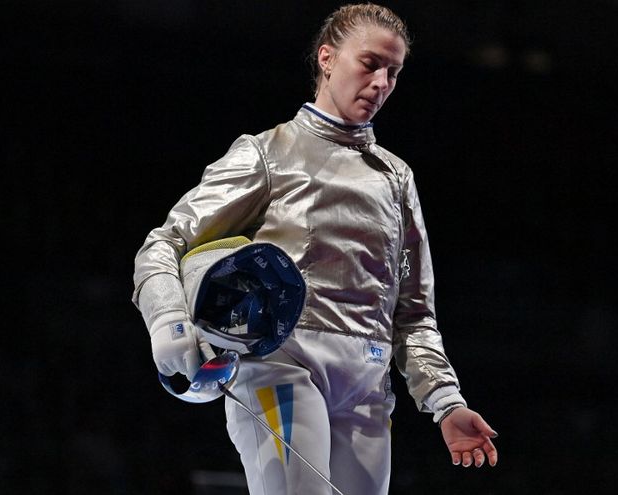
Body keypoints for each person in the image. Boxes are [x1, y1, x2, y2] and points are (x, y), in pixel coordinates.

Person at [132, 3, 498, 494]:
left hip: (367, 385)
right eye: (370, 64)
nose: (381, 82)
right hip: (280, 366)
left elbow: (413, 314)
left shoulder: (396, 178)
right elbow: (164, 243)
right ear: (327, 58)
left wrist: (446, 402)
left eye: (393, 72)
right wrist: (168, 321)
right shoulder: (269, 153)